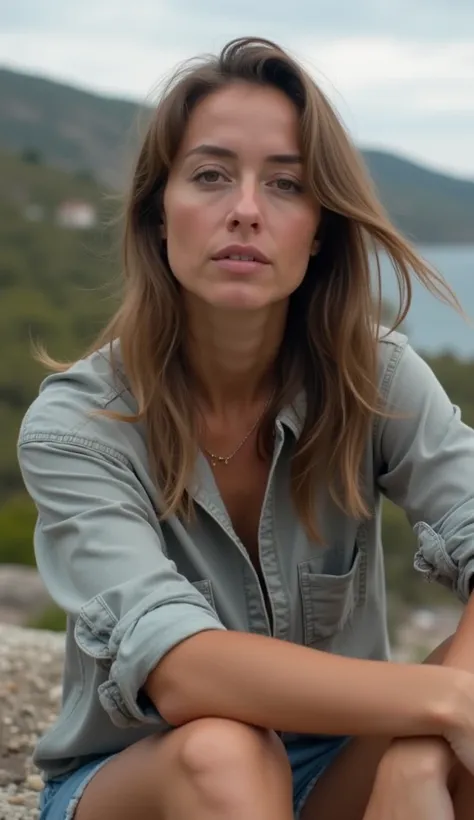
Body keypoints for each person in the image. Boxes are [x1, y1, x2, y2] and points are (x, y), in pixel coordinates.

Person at [17, 36, 474, 820]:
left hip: (337, 765)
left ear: (320, 227)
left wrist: (421, 747)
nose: (247, 209)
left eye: (287, 185)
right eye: (210, 175)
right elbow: (182, 670)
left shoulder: (378, 377)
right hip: (147, 781)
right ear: (160, 212)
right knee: (226, 751)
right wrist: (444, 706)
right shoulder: (76, 425)